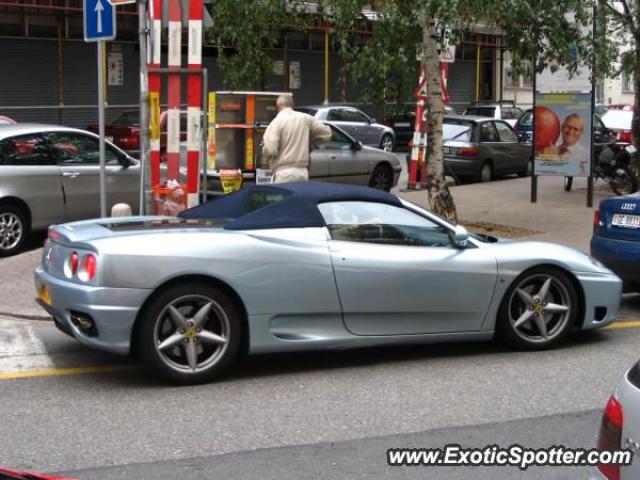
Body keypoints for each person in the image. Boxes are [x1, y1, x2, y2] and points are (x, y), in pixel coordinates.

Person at [262, 94, 332, 183]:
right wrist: (311, 144)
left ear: (277, 106)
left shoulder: (276, 122)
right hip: (302, 173)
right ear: (293, 105)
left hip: (283, 174)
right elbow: (327, 133)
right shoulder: (305, 118)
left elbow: (271, 150)